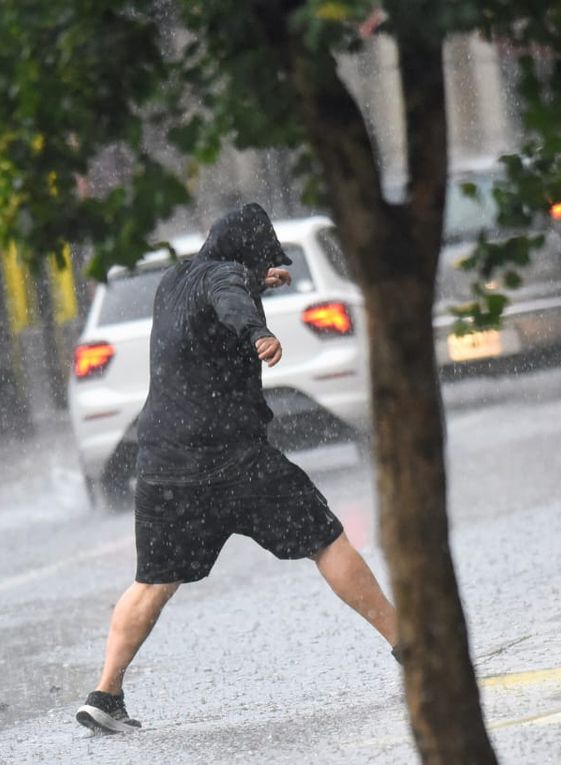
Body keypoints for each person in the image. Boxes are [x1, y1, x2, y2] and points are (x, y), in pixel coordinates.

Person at [76, 203, 398, 734]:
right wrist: (257, 332)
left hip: (165, 465)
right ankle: (407, 644)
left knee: (152, 581)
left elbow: (215, 296)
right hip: (235, 461)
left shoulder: (174, 281)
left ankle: (104, 695)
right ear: (248, 253)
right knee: (326, 540)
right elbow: (227, 297)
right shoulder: (228, 279)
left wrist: (257, 282)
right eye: (262, 259)